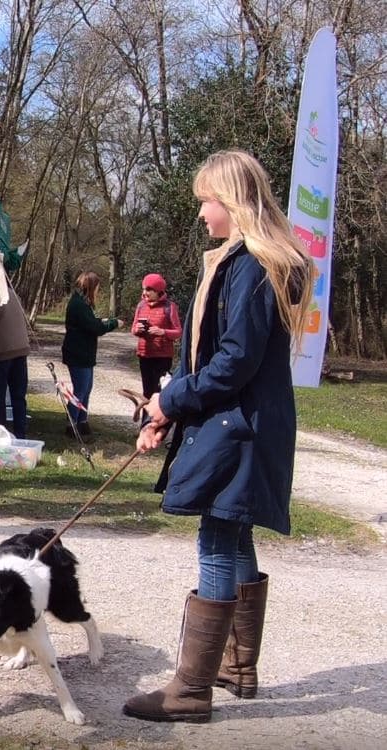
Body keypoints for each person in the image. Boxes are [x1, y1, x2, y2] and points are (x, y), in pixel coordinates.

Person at [123, 150, 313, 723]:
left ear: (232, 202)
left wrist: (171, 399)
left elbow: (234, 362)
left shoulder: (253, 267)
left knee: (216, 537)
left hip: (242, 430)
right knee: (235, 533)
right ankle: (236, 667)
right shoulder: (242, 263)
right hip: (241, 426)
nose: (202, 212)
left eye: (208, 200)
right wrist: (165, 412)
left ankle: (191, 690)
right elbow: (207, 356)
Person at [60, 272, 121, 436]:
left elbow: (90, 322)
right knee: (80, 389)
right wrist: (113, 323)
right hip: (78, 353)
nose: (98, 291)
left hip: (84, 353)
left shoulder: (82, 303)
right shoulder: (78, 305)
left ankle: (82, 420)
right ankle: (71, 424)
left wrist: (101, 321)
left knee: (87, 388)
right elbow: (94, 328)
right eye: (97, 288)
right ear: (90, 287)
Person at [0, 285, 31, 439]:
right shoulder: (13, 294)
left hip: (1, 351)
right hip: (21, 348)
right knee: (18, 396)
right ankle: (20, 433)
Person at [132, 273, 183, 398]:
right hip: (145, 355)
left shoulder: (169, 307)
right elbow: (133, 329)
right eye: (144, 289)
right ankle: (147, 417)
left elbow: (178, 332)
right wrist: (137, 329)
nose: (145, 292)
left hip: (162, 357)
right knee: (147, 391)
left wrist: (163, 332)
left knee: (160, 391)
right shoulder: (141, 305)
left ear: (158, 291)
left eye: (149, 289)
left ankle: (160, 416)